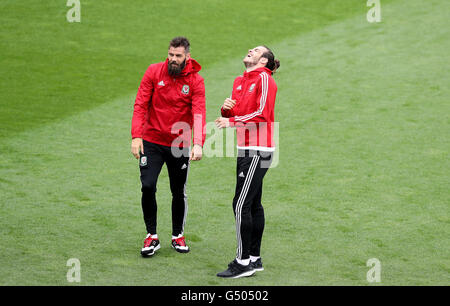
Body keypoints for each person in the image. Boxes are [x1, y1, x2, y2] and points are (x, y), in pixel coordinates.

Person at [131, 37, 206, 257]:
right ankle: (151, 236)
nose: (173, 59)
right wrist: (137, 136)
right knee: (147, 186)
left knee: (178, 191)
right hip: (151, 141)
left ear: (187, 57)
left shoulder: (196, 81)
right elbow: (141, 103)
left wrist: (198, 143)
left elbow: (198, 112)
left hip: (179, 144)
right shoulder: (154, 71)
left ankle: (177, 235)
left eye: (178, 56)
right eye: (171, 54)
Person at [215, 45, 280, 278]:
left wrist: (231, 123)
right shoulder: (239, 81)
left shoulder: (264, 79)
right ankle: (254, 258)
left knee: (240, 203)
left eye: (256, 50)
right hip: (246, 148)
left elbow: (262, 115)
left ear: (263, 61)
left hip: (258, 150)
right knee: (252, 204)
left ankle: (242, 263)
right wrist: (226, 111)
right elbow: (238, 115)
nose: (250, 50)